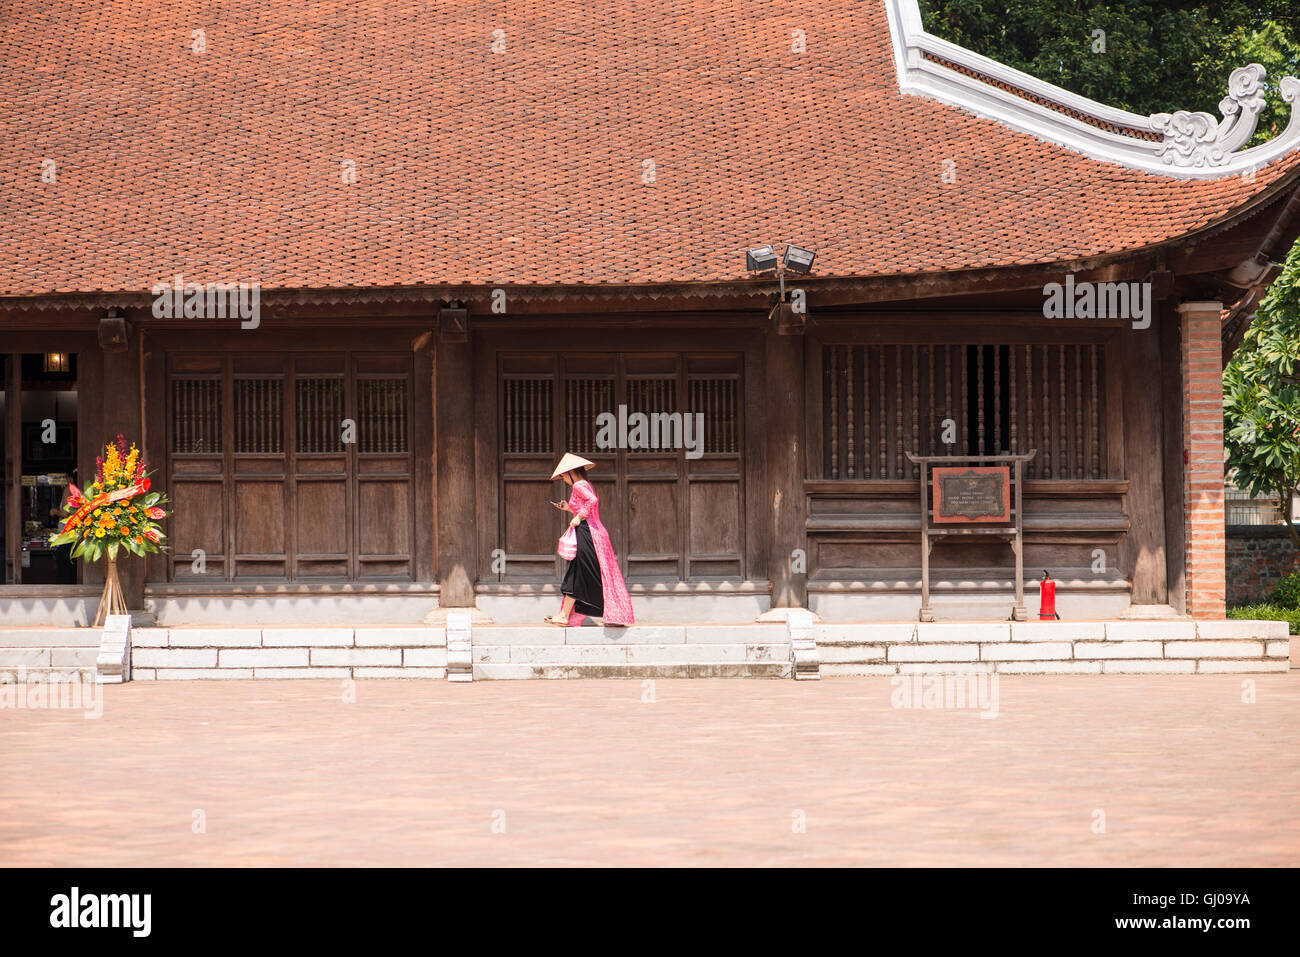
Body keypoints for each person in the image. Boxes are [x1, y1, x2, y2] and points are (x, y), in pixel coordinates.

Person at [545, 453, 634, 626]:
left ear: (571, 472)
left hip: (589, 533)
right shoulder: (583, 484)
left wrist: (578, 517)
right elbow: (589, 508)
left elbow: (592, 500)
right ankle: (610, 614)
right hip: (593, 531)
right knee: (593, 573)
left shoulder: (578, 485)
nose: (564, 479)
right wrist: (569, 509)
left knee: (578, 571)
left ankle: (565, 615)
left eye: (563, 476)